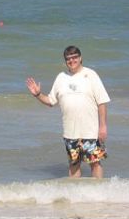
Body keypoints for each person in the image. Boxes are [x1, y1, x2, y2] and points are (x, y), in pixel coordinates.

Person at [26, 46, 111, 178]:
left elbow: (102, 102)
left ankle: (98, 194)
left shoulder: (91, 75)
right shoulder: (61, 77)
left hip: (91, 132)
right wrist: (37, 94)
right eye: (68, 59)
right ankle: (75, 196)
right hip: (70, 133)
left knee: (95, 163)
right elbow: (50, 101)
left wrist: (103, 126)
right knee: (73, 165)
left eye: (74, 57)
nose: (72, 61)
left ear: (80, 58)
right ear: (65, 61)